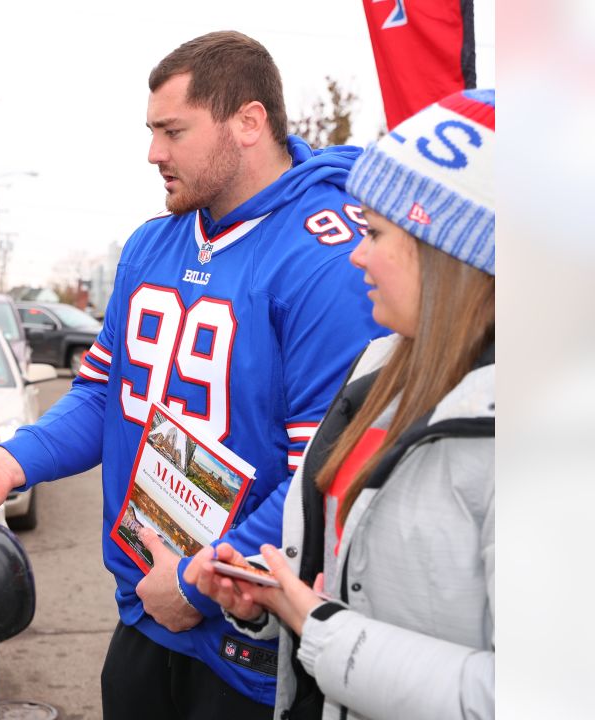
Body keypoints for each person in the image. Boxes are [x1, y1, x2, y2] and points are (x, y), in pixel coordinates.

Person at [0, 31, 384, 717]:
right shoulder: (154, 241)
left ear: (249, 123)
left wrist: (199, 582)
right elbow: (103, 393)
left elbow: (329, 472)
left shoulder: (326, 258)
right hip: (147, 609)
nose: (153, 152)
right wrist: (11, 463)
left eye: (172, 131)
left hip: (251, 637)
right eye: (152, 131)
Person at [183, 89, 495, 720]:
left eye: (375, 232)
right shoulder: (375, 368)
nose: (355, 253)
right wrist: (270, 607)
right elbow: (353, 585)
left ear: (453, 254)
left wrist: (317, 626)